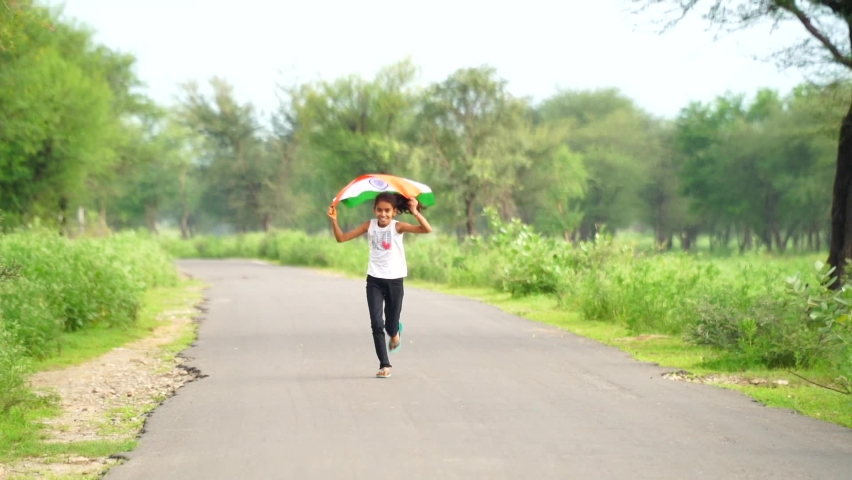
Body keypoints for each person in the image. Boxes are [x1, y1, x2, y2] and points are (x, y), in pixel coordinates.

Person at [327, 192, 433, 378]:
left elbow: (426, 229)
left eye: (387, 211)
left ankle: (394, 333)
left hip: (395, 281)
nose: (383, 214)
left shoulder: (397, 227)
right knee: (377, 323)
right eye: (379, 210)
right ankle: (385, 365)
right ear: (374, 210)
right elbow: (341, 238)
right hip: (374, 280)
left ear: (393, 212)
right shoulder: (369, 226)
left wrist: (415, 211)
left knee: (390, 325)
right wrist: (334, 220)